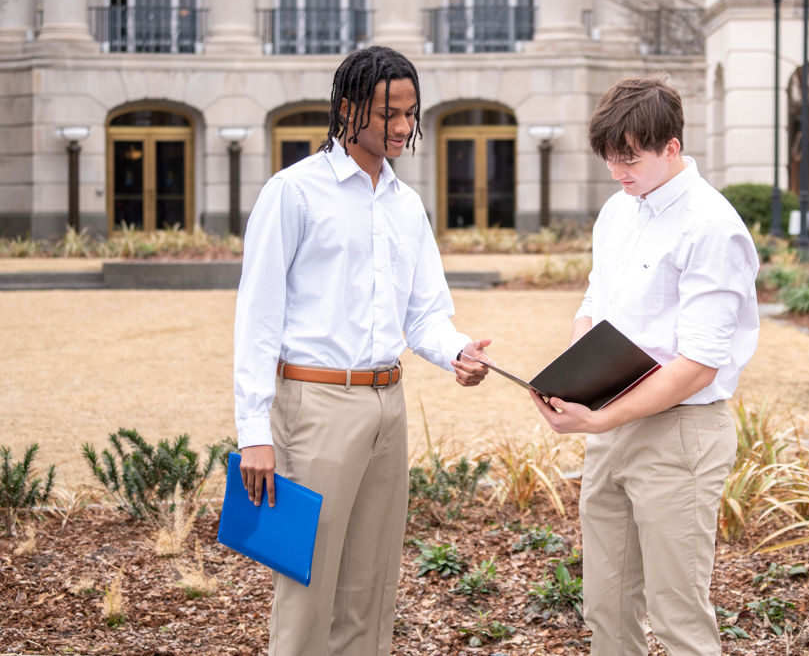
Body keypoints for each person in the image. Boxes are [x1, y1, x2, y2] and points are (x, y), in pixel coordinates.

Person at [233, 45, 494, 656]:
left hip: (387, 405)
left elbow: (425, 312)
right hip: (313, 406)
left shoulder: (406, 205)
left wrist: (457, 351)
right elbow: (257, 316)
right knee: (307, 584)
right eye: (389, 114)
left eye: (411, 113)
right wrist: (254, 432)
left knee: (371, 586)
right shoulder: (292, 193)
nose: (404, 126)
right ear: (348, 110)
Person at [529, 75, 760, 656]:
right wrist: (577, 376)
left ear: (672, 148)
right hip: (611, 426)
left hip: (680, 433)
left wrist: (599, 420)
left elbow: (700, 364)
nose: (617, 171)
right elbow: (594, 304)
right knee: (606, 608)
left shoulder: (713, 226)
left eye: (629, 158)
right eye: (610, 158)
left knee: (679, 617)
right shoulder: (617, 210)